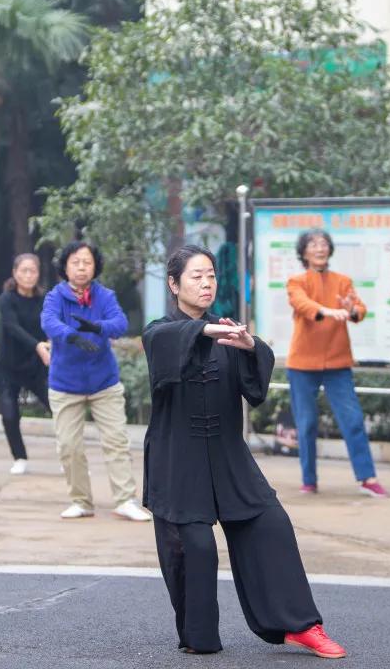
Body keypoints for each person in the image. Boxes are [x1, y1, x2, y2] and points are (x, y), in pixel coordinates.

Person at [142, 244, 347, 658]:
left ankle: (303, 625)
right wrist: (203, 332)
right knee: (195, 549)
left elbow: (256, 388)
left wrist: (252, 347)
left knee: (271, 524)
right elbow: (162, 343)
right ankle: (198, 636)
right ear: (173, 283)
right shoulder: (162, 330)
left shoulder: (230, 331)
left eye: (211, 275)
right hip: (178, 460)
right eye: (196, 276)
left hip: (228, 456)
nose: (206, 282)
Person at [40, 241, 150, 521]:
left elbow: (121, 323)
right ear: (65, 266)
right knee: (68, 446)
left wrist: (97, 326)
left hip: (104, 383)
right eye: (75, 262)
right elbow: (48, 322)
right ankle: (81, 501)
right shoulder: (55, 296)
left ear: (95, 267)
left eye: (86, 262)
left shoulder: (105, 296)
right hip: (65, 384)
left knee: (116, 441)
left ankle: (125, 499)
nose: (81, 267)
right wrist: (71, 335)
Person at [286, 230, 386, 497]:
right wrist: (328, 310)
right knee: (306, 424)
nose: (320, 248)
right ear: (304, 252)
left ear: (329, 250)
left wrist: (351, 310)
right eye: (313, 244)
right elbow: (303, 304)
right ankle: (309, 480)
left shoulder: (343, 281)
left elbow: (359, 310)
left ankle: (367, 478)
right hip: (302, 364)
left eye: (323, 244)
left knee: (352, 419)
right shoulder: (296, 281)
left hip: (337, 363)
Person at [0, 253, 51, 475]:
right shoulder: (6, 299)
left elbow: (51, 323)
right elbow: (12, 327)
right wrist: (37, 345)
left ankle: (72, 459)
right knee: (9, 415)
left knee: (60, 409)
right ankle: (19, 457)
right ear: (15, 273)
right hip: (7, 368)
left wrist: (51, 340)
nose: (28, 275)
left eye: (33, 271)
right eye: (24, 270)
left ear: (38, 274)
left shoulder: (44, 300)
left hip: (36, 368)